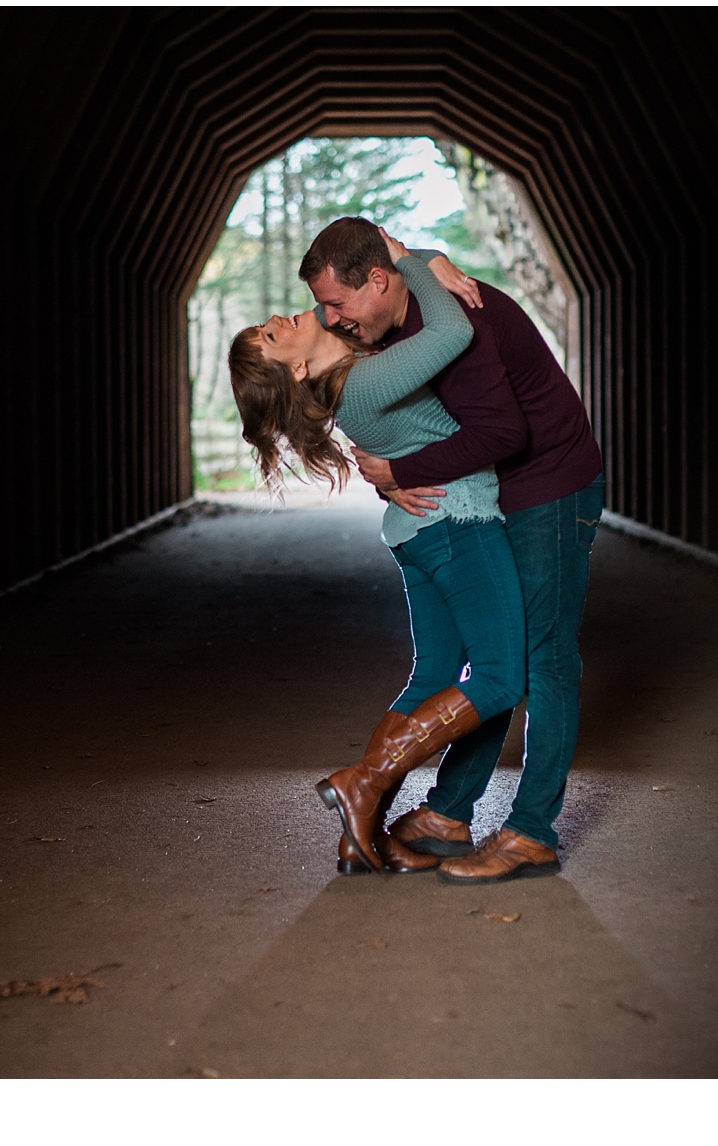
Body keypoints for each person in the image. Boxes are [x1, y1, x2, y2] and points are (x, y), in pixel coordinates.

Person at [300, 216, 604, 885]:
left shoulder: (454, 322)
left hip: (548, 481)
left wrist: (401, 474)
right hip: (497, 489)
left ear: (378, 280)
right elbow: (414, 428)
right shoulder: (400, 320)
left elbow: (501, 430)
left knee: (541, 656)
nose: (332, 319)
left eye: (338, 304)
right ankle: (449, 814)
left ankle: (531, 833)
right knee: (496, 653)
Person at [228, 228, 526, 877]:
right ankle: (364, 783)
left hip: (420, 531)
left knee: (432, 678)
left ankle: (359, 825)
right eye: (272, 338)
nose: (278, 319)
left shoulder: (359, 373)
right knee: (502, 675)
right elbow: (452, 334)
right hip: (457, 523)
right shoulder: (361, 384)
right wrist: (415, 257)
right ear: (298, 370)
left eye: (266, 325)